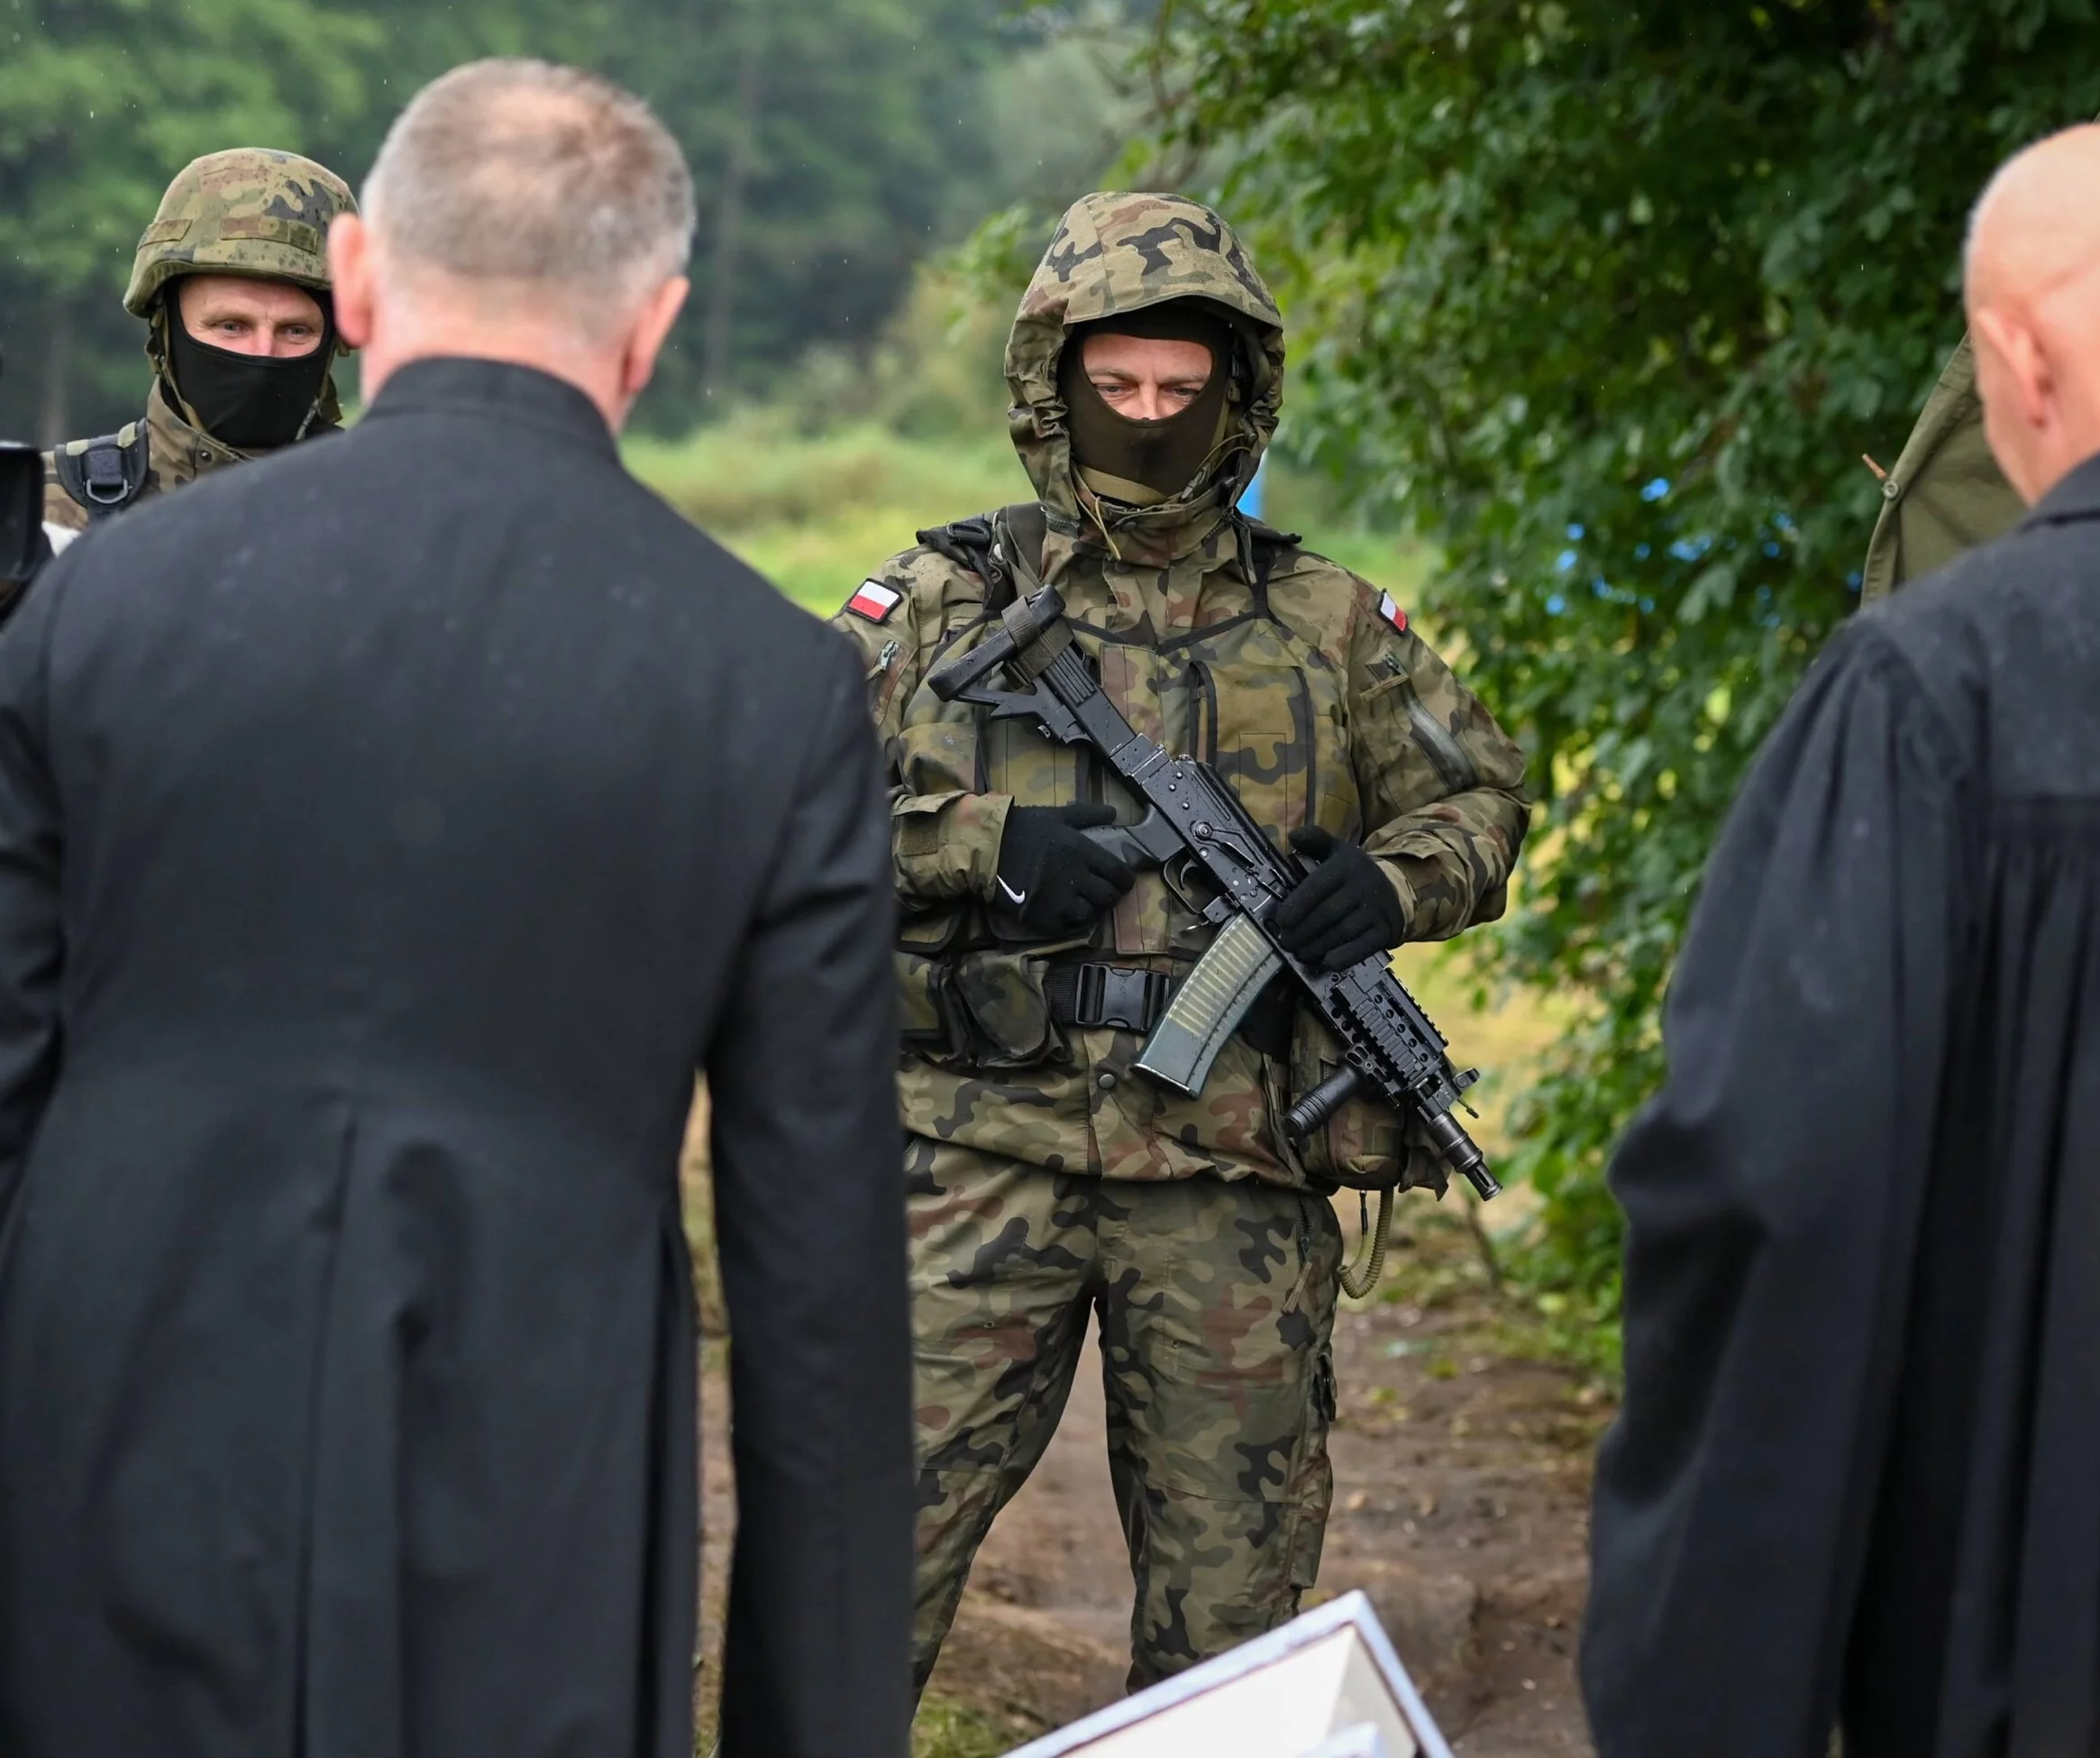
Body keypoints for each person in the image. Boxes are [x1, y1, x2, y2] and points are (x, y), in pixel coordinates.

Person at [0, 60, 909, 1758]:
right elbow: (822, 1305)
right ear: (653, 328)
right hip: (538, 1488)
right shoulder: (772, 687)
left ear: (354, 283)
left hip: (99, 1442)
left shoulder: (91, 607)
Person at [1582, 122, 2100, 1757]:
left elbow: (1775, 1206)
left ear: (2015, 362)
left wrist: (1714, 1709)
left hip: (2067, 1681)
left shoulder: (1939, 696)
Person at [830, 191, 1529, 1697]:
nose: (1147, 421)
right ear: (1052, 383)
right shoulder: (943, 601)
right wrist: (982, 848)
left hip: (1230, 1179)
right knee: (855, 1580)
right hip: (973, 1160)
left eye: (1180, 389)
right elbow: (768, 802)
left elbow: (1483, 796)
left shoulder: (1334, 627)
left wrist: (1392, 887)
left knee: (1231, 1624)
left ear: (1238, 392)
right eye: (1116, 387)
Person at [41, 147, 354, 539]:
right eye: (231, 325)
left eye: (295, 331)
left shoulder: (397, 508)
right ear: (165, 328)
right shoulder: (43, 508)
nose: (263, 355)